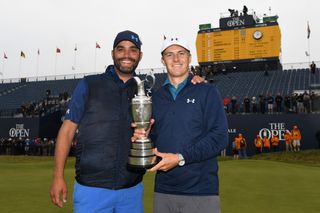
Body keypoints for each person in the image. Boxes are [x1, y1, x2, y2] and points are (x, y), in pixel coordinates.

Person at [49, 30, 146, 213]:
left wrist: (195, 79)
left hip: (131, 189)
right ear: (112, 53)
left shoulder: (144, 90)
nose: (127, 55)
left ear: (140, 55)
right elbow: (67, 131)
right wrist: (58, 176)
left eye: (133, 50)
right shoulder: (90, 84)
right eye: (121, 49)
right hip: (91, 189)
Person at [133, 36, 228, 213]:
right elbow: (155, 139)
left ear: (190, 58)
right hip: (164, 191)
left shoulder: (207, 91)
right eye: (170, 54)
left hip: (201, 192)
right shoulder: (155, 98)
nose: (176, 59)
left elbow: (220, 137)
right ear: (163, 60)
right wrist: (143, 138)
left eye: (181, 53)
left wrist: (180, 158)